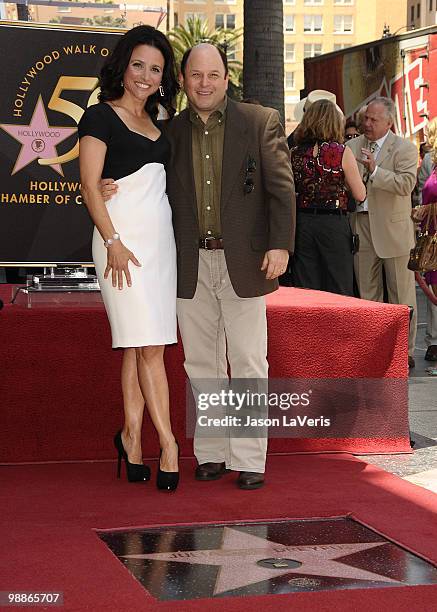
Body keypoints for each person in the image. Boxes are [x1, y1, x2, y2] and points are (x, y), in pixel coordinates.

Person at [102, 43, 296, 490]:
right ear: (183, 80)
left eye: (213, 75)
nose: (204, 83)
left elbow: (282, 191)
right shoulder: (165, 133)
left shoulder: (258, 121)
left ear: (226, 79)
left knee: (248, 360)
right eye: (195, 75)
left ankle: (249, 458)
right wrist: (111, 185)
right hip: (187, 261)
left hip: (245, 260)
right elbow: (141, 178)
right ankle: (211, 453)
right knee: (201, 362)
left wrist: (280, 246)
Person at [78, 26, 181, 491]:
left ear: (163, 77)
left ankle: (131, 438)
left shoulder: (162, 120)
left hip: (160, 246)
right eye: (138, 64)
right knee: (149, 347)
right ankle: (170, 444)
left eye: (155, 68)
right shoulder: (100, 116)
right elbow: (88, 184)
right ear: (123, 66)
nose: (145, 75)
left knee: (141, 344)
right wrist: (113, 239)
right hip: (120, 245)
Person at [346, 97, 418, 368]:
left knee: (401, 295)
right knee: (368, 294)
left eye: (374, 119)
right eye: (365, 118)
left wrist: (375, 171)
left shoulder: (405, 149)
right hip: (361, 227)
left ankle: (405, 351)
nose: (367, 123)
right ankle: (372, 349)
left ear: (389, 122)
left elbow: (406, 184)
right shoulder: (352, 146)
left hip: (394, 230)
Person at [290, 99, 366, 296]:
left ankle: (310, 327)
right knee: (339, 286)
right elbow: (360, 194)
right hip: (334, 224)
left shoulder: (295, 152)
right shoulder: (341, 152)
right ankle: (338, 327)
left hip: (302, 223)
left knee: (306, 287)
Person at [416, 118, 437, 362]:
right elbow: (422, 190)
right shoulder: (431, 161)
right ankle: (433, 339)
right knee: (432, 285)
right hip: (430, 232)